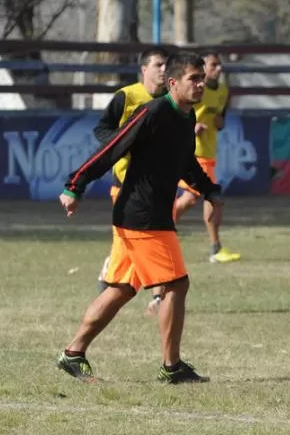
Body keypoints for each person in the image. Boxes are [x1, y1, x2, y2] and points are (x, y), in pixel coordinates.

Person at [56, 52, 222, 384]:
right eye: (194, 78)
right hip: (141, 216)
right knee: (176, 283)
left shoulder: (186, 117)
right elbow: (112, 147)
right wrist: (75, 185)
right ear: (174, 83)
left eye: (202, 77)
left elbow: (185, 162)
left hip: (148, 214)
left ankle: (73, 354)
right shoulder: (153, 111)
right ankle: (171, 367)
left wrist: (208, 189)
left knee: (121, 288)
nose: (202, 84)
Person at [93, 47, 169, 314]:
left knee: (153, 241)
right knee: (137, 244)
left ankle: (158, 294)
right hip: (125, 185)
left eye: (166, 65)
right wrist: (121, 145)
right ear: (144, 69)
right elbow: (102, 129)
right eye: (158, 64)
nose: (163, 69)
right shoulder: (126, 96)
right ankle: (159, 295)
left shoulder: (171, 100)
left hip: (158, 188)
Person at [173, 50, 241, 264]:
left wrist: (219, 123)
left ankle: (160, 226)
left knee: (190, 199)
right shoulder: (189, 89)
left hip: (209, 150)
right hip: (192, 152)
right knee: (211, 198)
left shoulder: (222, 90)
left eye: (219, 65)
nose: (218, 69)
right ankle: (215, 248)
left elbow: (220, 119)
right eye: (213, 65)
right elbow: (175, 115)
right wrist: (190, 127)